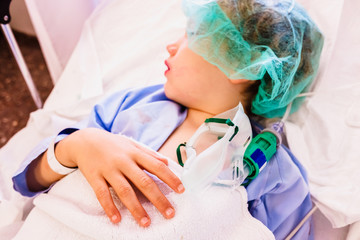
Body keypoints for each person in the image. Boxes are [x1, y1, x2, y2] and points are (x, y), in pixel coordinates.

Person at [12, 0, 323, 239]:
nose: (172, 45)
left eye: (193, 35)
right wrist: (77, 146)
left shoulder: (272, 169)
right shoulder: (131, 105)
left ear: (243, 68)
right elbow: (28, 182)